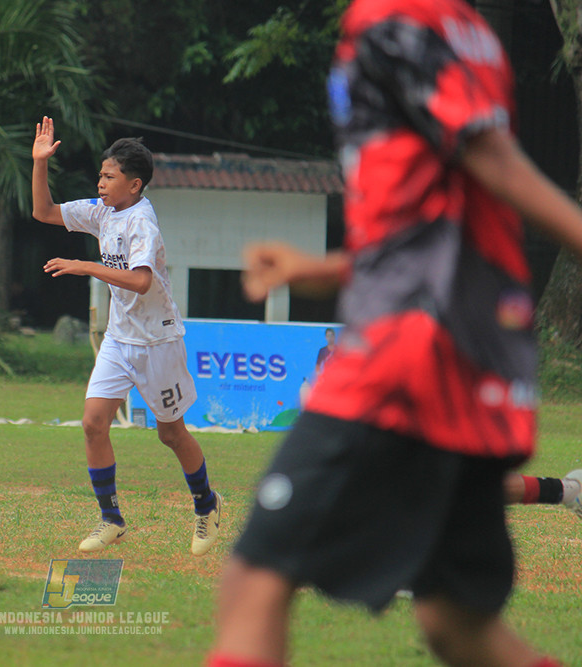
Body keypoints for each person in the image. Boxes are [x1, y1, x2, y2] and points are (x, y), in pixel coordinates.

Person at [209, 0, 582, 664]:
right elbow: (444, 216)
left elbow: (492, 158)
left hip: (409, 351)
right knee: (457, 623)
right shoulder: (471, 34)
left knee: (254, 581)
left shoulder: (395, 17)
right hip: (468, 355)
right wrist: (321, 267)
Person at [31, 116, 222, 556]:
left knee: (170, 434)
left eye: (109, 176)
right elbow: (44, 212)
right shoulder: (104, 213)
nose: (100, 182)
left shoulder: (141, 223)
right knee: (93, 423)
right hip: (120, 339)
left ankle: (207, 507)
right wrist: (40, 163)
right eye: (100, 174)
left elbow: (139, 281)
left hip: (158, 341)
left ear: (134, 185)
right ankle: (111, 519)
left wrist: (85, 267)